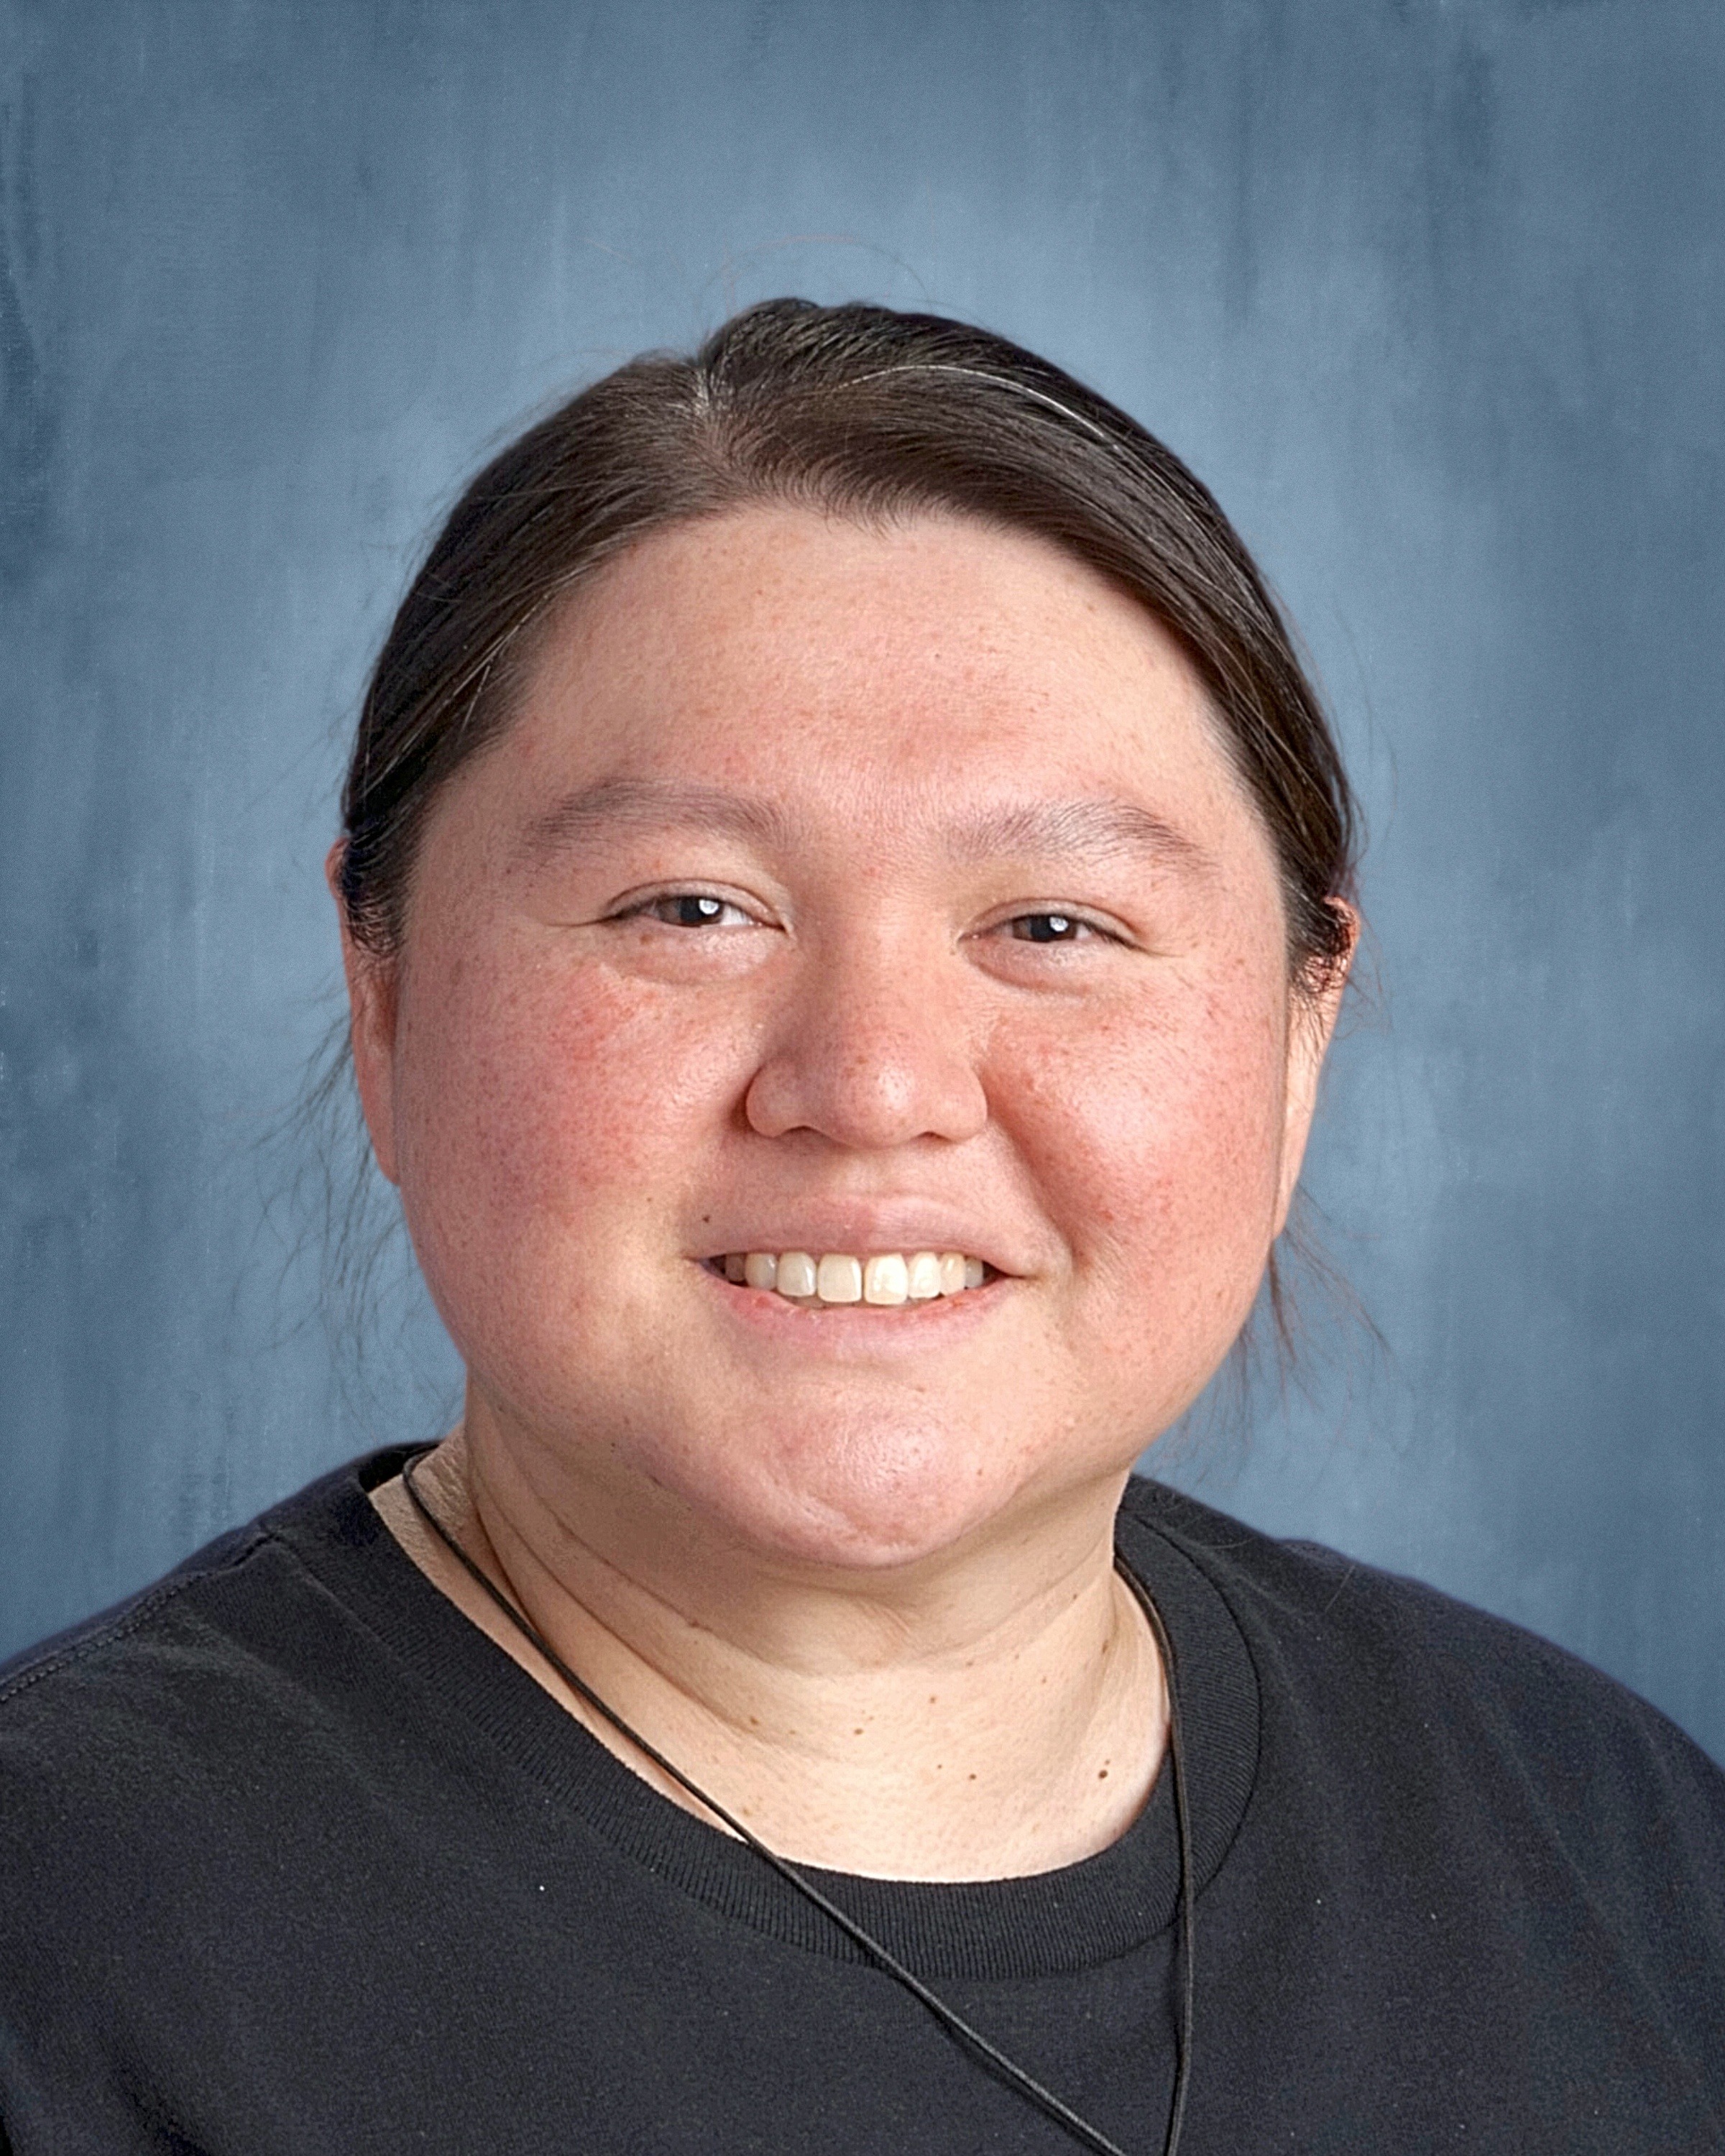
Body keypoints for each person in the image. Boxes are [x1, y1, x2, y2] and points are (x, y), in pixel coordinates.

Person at [1, 300, 1721, 2156]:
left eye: (1055, 927)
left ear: (1305, 1031)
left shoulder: (1606, 1847)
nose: (874, 1083)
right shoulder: (74, 1954)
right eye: (690, 910)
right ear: (387, 992)